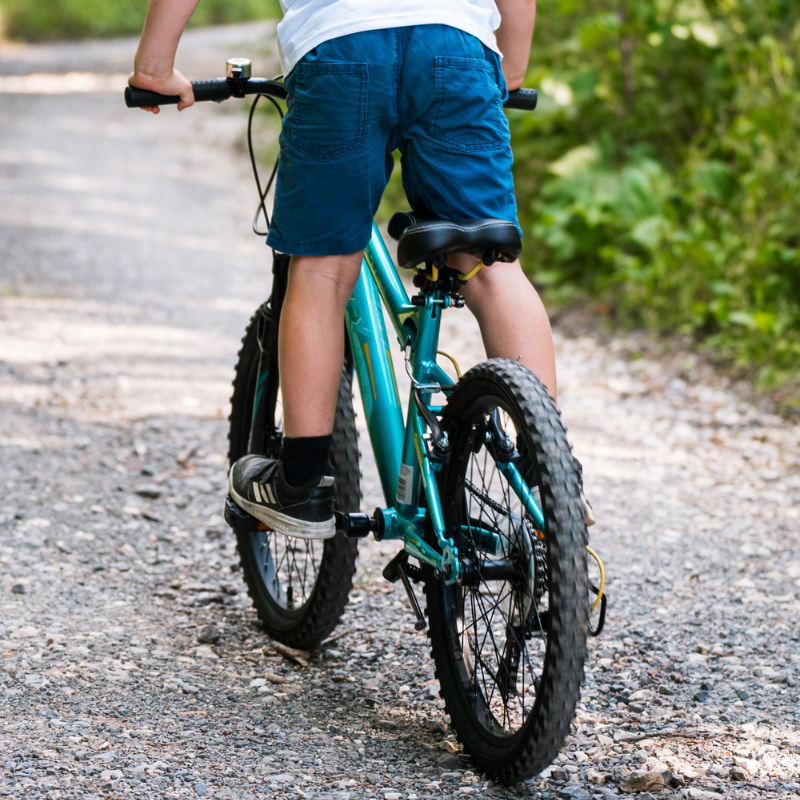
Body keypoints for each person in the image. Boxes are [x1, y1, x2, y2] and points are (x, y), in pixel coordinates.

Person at [130, 0, 591, 539]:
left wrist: (155, 70)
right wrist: (508, 69)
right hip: (457, 47)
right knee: (490, 267)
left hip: (341, 50)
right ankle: (549, 483)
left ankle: (301, 484)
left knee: (323, 272)